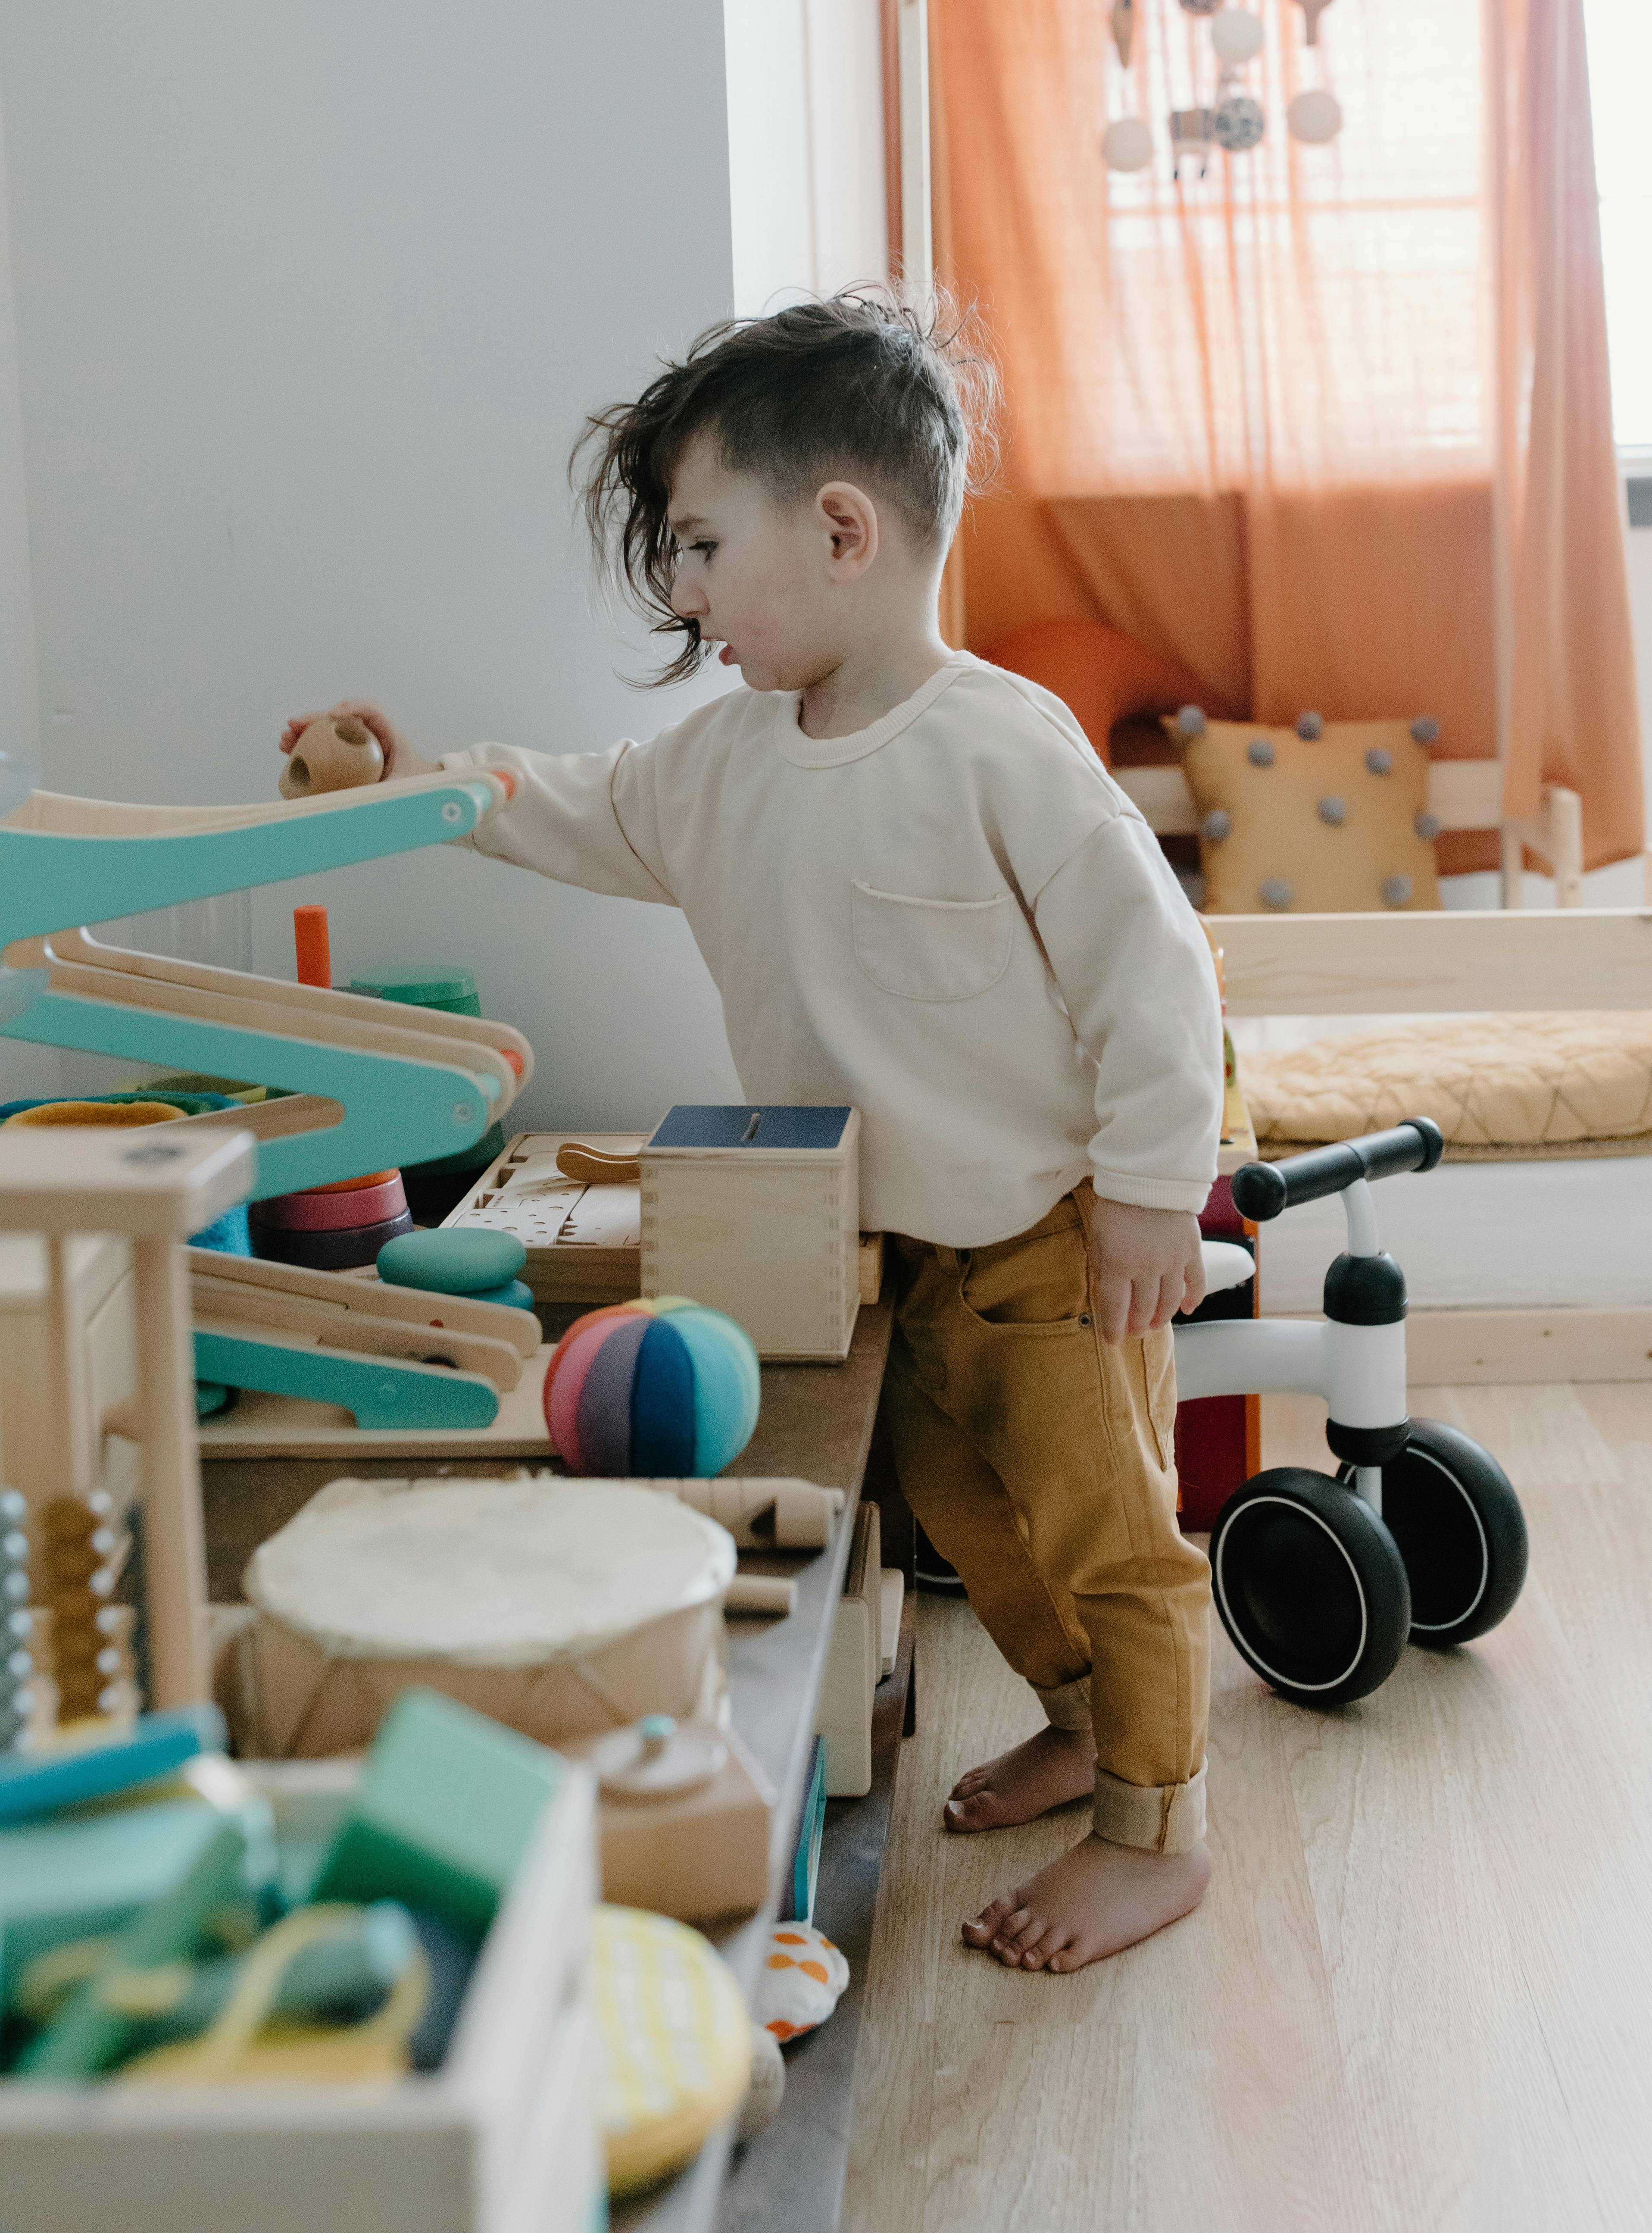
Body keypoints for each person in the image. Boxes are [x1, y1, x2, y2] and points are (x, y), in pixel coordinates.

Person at [283, 288, 1223, 1975]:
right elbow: (570, 802)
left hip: (1054, 1233)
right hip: (881, 1244)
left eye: (703, 546)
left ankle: (1158, 1822)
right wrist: (419, 782)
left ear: (842, 529)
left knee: (1107, 1527)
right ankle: (1081, 1721)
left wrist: (1157, 1192)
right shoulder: (720, 764)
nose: (682, 590)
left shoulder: (1000, 751)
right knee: (962, 1510)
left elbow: (1151, 978)